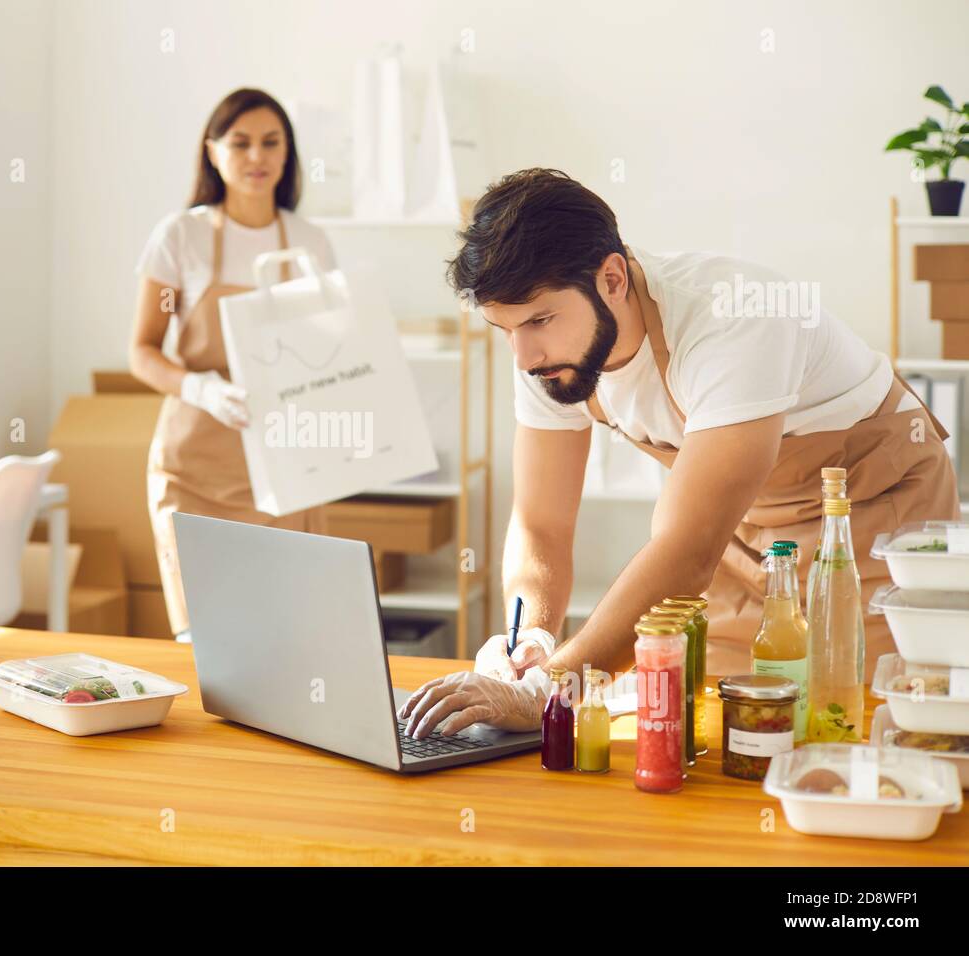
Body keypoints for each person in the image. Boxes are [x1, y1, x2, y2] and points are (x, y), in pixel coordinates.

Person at [400, 168, 959, 739]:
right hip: (741, 534)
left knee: (862, 720)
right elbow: (540, 525)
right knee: (729, 730)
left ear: (613, 278)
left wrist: (550, 689)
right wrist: (533, 643)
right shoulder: (546, 357)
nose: (523, 357)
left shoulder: (735, 318)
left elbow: (686, 550)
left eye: (540, 319)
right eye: (504, 328)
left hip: (867, 516)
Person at [130, 88, 336, 642]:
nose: (256, 157)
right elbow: (142, 350)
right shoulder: (182, 236)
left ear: (288, 154)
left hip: (284, 472)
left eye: (271, 142)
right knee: (208, 636)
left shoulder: (311, 244)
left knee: (284, 635)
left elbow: (331, 353)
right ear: (212, 152)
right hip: (196, 467)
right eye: (239, 142)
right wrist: (200, 389)